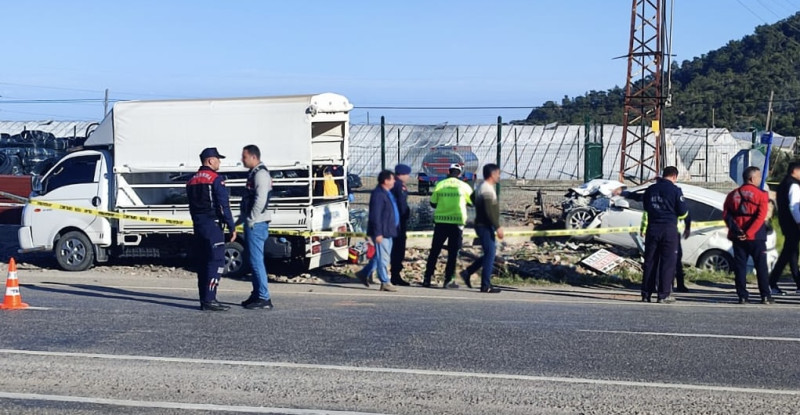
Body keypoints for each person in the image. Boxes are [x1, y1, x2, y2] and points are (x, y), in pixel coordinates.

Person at [186, 147, 237, 311]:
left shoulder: (191, 180)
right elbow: (223, 205)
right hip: (213, 226)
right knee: (216, 261)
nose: (219, 162)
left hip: (198, 226)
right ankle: (210, 299)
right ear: (210, 160)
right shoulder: (215, 178)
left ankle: (204, 299)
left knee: (203, 263)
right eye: (218, 159)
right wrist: (231, 226)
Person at [723, 166, 773, 304]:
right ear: (752, 178)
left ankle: (742, 296)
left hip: (737, 236)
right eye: (758, 177)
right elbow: (760, 216)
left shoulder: (733, 194)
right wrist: (749, 233)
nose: (760, 179)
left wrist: (736, 230)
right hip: (756, 236)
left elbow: (727, 214)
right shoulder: (761, 194)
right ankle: (765, 296)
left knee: (740, 267)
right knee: (761, 266)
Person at [421, 163, 474, 288]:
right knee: (453, 253)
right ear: (459, 173)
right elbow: (472, 202)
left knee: (434, 251)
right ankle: (448, 280)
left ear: (449, 172)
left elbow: (433, 203)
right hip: (457, 223)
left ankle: (427, 278)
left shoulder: (441, 185)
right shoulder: (464, 186)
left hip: (440, 222)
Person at [641, 166, 687, 304]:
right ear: (674, 177)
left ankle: (646, 293)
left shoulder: (650, 189)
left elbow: (646, 207)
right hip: (669, 229)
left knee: (650, 261)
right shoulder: (675, 190)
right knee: (667, 262)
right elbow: (683, 212)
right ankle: (663, 295)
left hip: (652, 228)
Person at [238, 145, 274, 310]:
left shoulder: (260, 174)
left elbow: (260, 199)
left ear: (253, 157)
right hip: (254, 222)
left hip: (257, 224)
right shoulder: (255, 173)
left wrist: (251, 219)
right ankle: (257, 294)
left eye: (244, 157)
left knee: (256, 261)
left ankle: (263, 297)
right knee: (252, 261)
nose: (242, 160)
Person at [461, 163, 503, 293]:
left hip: (482, 224)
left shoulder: (481, 187)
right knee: (490, 254)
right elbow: (490, 211)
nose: (499, 176)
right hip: (485, 225)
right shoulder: (487, 189)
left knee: (489, 254)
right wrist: (498, 227)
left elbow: (472, 198)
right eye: (498, 174)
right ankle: (485, 285)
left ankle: (468, 272)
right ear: (492, 174)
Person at [356, 170, 399, 292]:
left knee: (379, 256)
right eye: (392, 179)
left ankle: (364, 273)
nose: (394, 181)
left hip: (388, 230)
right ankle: (385, 282)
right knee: (383, 258)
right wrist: (378, 233)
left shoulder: (386, 193)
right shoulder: (379, 194)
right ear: (386, 181)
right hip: (382, 232)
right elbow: (376, 215)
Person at [768, 161, 800, 296]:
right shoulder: (793, 185)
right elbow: (794, 206)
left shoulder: (783, 184)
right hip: (793, 224)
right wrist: (799, 221)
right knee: (789, 253)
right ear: (795, 171)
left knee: (791, 253)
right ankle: (772, 282)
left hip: (786, 223)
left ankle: (796, 283)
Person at [640, 211, 691, 292]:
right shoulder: (672, 200)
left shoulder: (652, 199)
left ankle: (651, 289)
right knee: (670, 261)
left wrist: (643, 228)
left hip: (655, 230)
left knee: (654, 261)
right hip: (671, 231)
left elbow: (646, 214)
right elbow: (683, 214)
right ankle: (666, 288)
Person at [390, 164, 412, 286]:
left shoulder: (394, 184)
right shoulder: (399, 186)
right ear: (402, 174)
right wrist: (405, 215)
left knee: (396, 249)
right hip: (398, 223)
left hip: (396, 221)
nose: (408, 177)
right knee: (398, 249)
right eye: (407, 174)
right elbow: (401, 205)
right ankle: (395, 275)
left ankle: (395, 274)